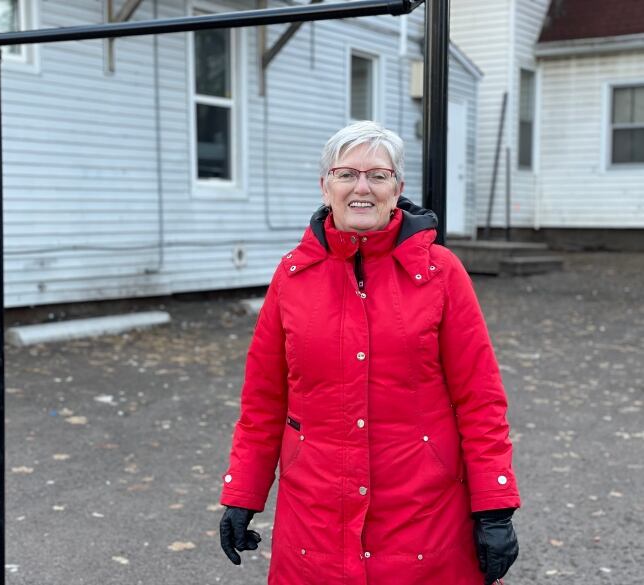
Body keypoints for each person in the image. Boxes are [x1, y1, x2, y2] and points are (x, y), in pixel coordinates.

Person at [218, 121, 520, 585]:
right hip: (314, 514)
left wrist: (494, 507)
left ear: (397, 188)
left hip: (423, 513)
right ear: (326, 186)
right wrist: (243, 493)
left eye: (378, 175)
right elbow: (263, 401)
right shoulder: (293, 276)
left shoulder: (440, 272)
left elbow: (480, 399)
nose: (363, 187)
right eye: (347, 174)